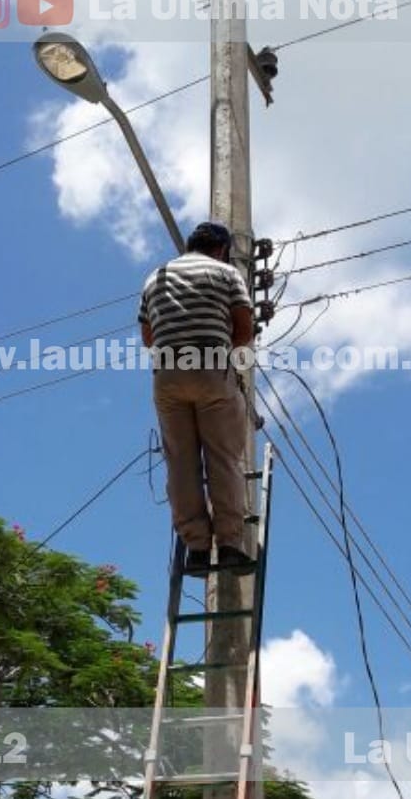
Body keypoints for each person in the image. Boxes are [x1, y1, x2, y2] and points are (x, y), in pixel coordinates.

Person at [139, 222, 257, 578]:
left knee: (180, 463)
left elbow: (148, 337)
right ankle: (231, 545)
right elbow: (244, 330)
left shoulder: (154, 278)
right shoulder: (226, 273)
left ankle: (197, 549)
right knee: (222, 459)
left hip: (167, 376)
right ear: (221, 248)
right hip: (209, 368)